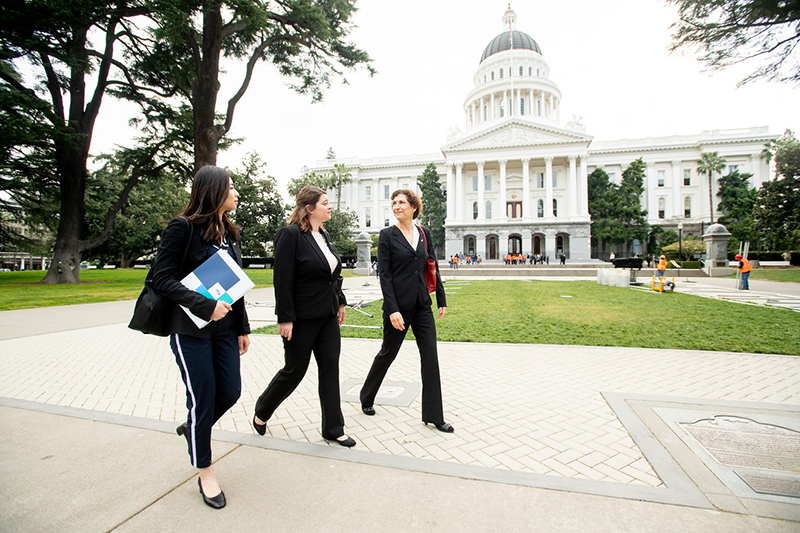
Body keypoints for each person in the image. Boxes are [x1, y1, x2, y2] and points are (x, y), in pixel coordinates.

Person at [152, 165, 251, 509]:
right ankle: (205, 471)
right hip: (190, 330)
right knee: (203, 397)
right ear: (212, 191)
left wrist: (242, 327)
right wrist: (205, 305)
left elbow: (235, 286)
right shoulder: (183, 228)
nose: (236, 192)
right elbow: (160, 279)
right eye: (231, 186)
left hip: (225, 331)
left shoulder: (231, 234)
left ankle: (194, 427)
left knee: (231, 391)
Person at [253, 186, 355, 447]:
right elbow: (282, 279)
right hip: (301, 318)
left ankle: (333, 428)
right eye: (325, 203)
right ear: (309, 208)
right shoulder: (290, 235)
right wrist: (284, 318)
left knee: (330, 370)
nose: (329, 207)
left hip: (328, 316)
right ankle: (262, 411)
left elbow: (333, 275)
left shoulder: (324, 235)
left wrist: (340, 302)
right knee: (295, 370)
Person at [360, 189, 454, 433]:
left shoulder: (424, 234)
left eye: (401, 202)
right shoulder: (386, 236)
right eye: (394, 202)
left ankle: (434, 415)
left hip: (422, 305)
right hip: (398, 308)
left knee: (430, 357)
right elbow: (385, 275)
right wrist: (392, 309)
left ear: (414, 207)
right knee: (387, 353)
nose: (396, 206)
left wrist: (440, 298)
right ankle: (367, 395)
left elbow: (432, 266)